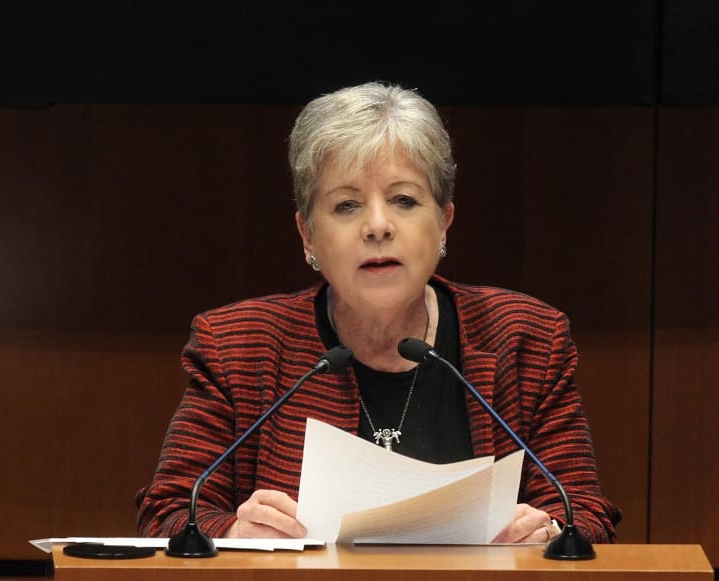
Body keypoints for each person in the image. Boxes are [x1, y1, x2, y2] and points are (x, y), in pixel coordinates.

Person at [135, 81, 621, 544]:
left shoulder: (526, 338)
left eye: (404, 200)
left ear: (444, 220)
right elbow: (169, 514)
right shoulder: (238, 345)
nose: (377, 226)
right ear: (307, 234)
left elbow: (585, 511)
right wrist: (235, 534)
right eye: (346, 205)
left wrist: (549, 531)